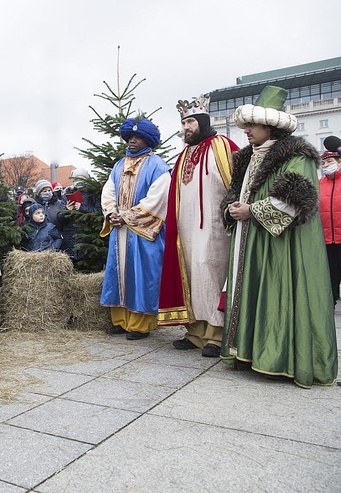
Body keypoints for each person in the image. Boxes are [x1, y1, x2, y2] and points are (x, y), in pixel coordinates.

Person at [221, 85, 337, 387]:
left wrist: (252, 211)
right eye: (246, 124)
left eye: (252, 124)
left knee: (276, 294)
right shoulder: (246, 157)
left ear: (270, 125)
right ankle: (246, 352)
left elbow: (295, 199)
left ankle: (277, 358)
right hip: (249, 240)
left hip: (280, 246)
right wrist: (232, 208)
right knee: (250, 293)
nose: (246, 130)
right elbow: (237, 192)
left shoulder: (297, 155)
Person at [158, 94, 239, 357]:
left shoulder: (223, 145)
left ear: (203, 121)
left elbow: (239, 182)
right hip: (186, 228)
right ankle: (195, 332)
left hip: (216, 227)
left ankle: (216, 334)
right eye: (183, 123)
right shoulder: (183, 155)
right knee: (191, 275)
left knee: (211, 274)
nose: (186, 128)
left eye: (190, 121)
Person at [100, 116, 170, 340]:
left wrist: (126, 216)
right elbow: (108, 192)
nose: (132, 141)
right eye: (130, 137)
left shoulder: (158, 166)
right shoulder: (119, 165)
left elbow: (158, 200)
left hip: (142, 232)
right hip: (120, 231)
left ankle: (141, 324)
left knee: (143, 275)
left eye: (138, 138)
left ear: (148, 140)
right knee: (118, 274)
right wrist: (112, 213)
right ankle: (120, 320)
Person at [57, 168, 101, 265]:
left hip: (88, 237)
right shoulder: (67, 194)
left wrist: (82, 208)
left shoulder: (93, 194)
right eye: (77, 178)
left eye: (82, 178)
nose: (80, 181)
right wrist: (67, 210)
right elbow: (59, 218)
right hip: (70, 237)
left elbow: (99, 213)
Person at [320, 140, 341, 304]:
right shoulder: (319, 185)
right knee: (330, 276)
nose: (326, 164)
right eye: (324, 162)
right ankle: (331, 304)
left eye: (330, 161)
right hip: (326, 240)